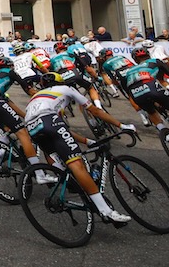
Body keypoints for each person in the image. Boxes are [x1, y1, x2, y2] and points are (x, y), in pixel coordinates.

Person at [21, 81, 131, 224]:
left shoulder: (37, 97)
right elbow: (95, 111)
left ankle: (68, 180)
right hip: (48, 121)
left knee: (53, 152)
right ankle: (106, 211)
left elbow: (61, 130)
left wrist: (87, 141)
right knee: (76, 164)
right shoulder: (67, 89)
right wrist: (121, 126)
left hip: (32, 127)